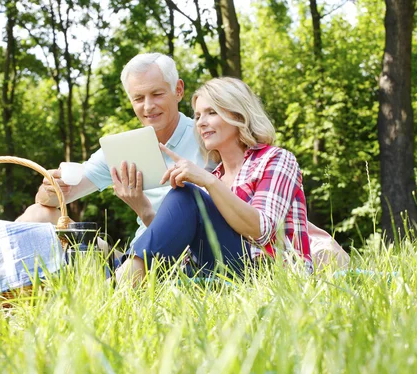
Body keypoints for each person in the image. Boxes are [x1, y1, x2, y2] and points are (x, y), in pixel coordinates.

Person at [115, 77, 313, 284]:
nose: (201, 122)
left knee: (188, 195)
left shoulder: (275, 159)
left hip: (271, 275)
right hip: (221, 274)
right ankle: (120, 277)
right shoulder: (214, 176)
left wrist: (207, 182)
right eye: (198, 116)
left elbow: (261, 232)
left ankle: (119, 284)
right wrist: (144, 209)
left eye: (211, 112)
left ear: (239, 114)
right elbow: (182, 251)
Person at [17, 53, 207, 244]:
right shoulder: (123, 148)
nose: (148, 106)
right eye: (139, 98)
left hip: (191, 255)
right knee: (37, 214)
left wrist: (143, 208)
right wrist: (50, 188)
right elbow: (48, 200)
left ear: (178, 90)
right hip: (136, 257)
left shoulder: (206, 136)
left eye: (157, 94)